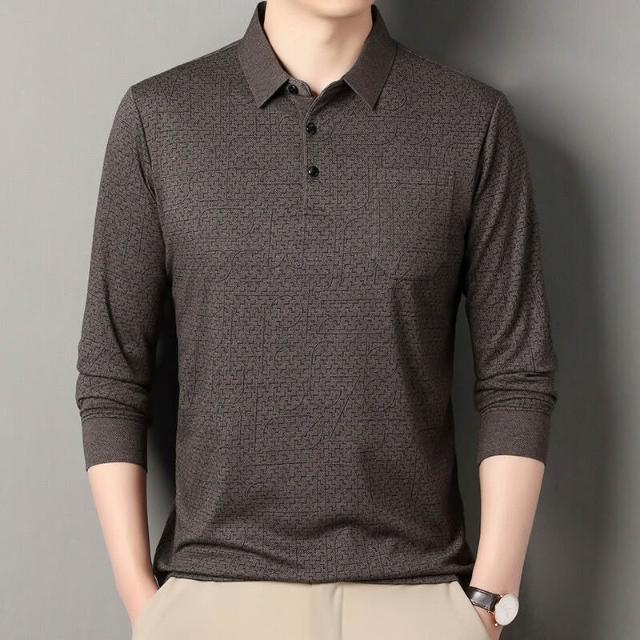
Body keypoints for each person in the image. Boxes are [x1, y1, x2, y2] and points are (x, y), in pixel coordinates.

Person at [74, 1, 559, 638]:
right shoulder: (159, 117)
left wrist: (488, 604)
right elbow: (112, 373)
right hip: (211, 598)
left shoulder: (472, 120)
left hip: (417, 600)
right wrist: (145, 603)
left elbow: (517, 376)